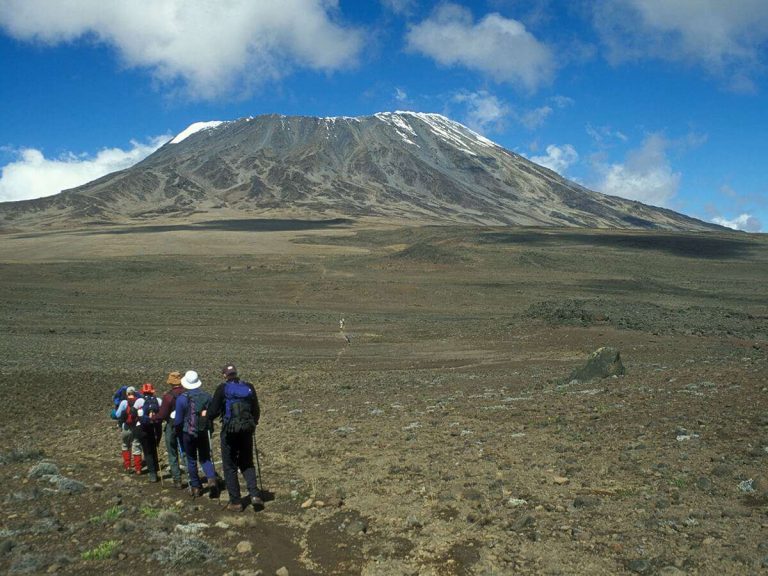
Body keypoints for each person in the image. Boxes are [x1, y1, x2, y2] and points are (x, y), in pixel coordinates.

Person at [208, 363, 263, 512]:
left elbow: (212, 412)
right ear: (236, 374)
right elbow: (256, 409)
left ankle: (236, 502)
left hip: (229, 431)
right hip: (246, 430)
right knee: (247, 462)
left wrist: (207, 417)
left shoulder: (222, 389)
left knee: (230, 465)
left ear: (225, 375)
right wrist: (253, 424)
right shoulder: (249, 387)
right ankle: (255, 495)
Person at [174, 370, 220, 498]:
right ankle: (211, 480)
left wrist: (178, 432)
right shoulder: (207, 396)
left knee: (191, 459)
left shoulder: (182, 399)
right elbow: (213, 412)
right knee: (205, 457)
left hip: (188, 433)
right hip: (203, 431)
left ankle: (196, 487)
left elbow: (178, 420)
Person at [154, 371, 185, 489]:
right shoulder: (187, 394)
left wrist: (152, 418)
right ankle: (192, 478)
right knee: (185, 452)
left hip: (171, 426)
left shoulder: (167, 397)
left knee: (172, 453)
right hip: (184, 426)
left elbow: (162, 415)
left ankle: (177, 480)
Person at [135, 382, 163, 482]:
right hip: (155, 428)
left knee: (147, 451)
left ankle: (152, 474)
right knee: (154, 447)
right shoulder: (158, 400)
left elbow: (133, 413)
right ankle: (156, 468)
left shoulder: (139, 401)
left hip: (143, 429)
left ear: (143, 391)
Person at [114, 386, 143, 474]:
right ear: (135, 393)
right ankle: (138, 469)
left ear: (127, 393)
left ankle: (128, 466)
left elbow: (117, 415)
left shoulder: (124, 402)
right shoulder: (139, 401)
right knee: (136, 446)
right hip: (137, 426)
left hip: (126, 427)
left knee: (125, 445)